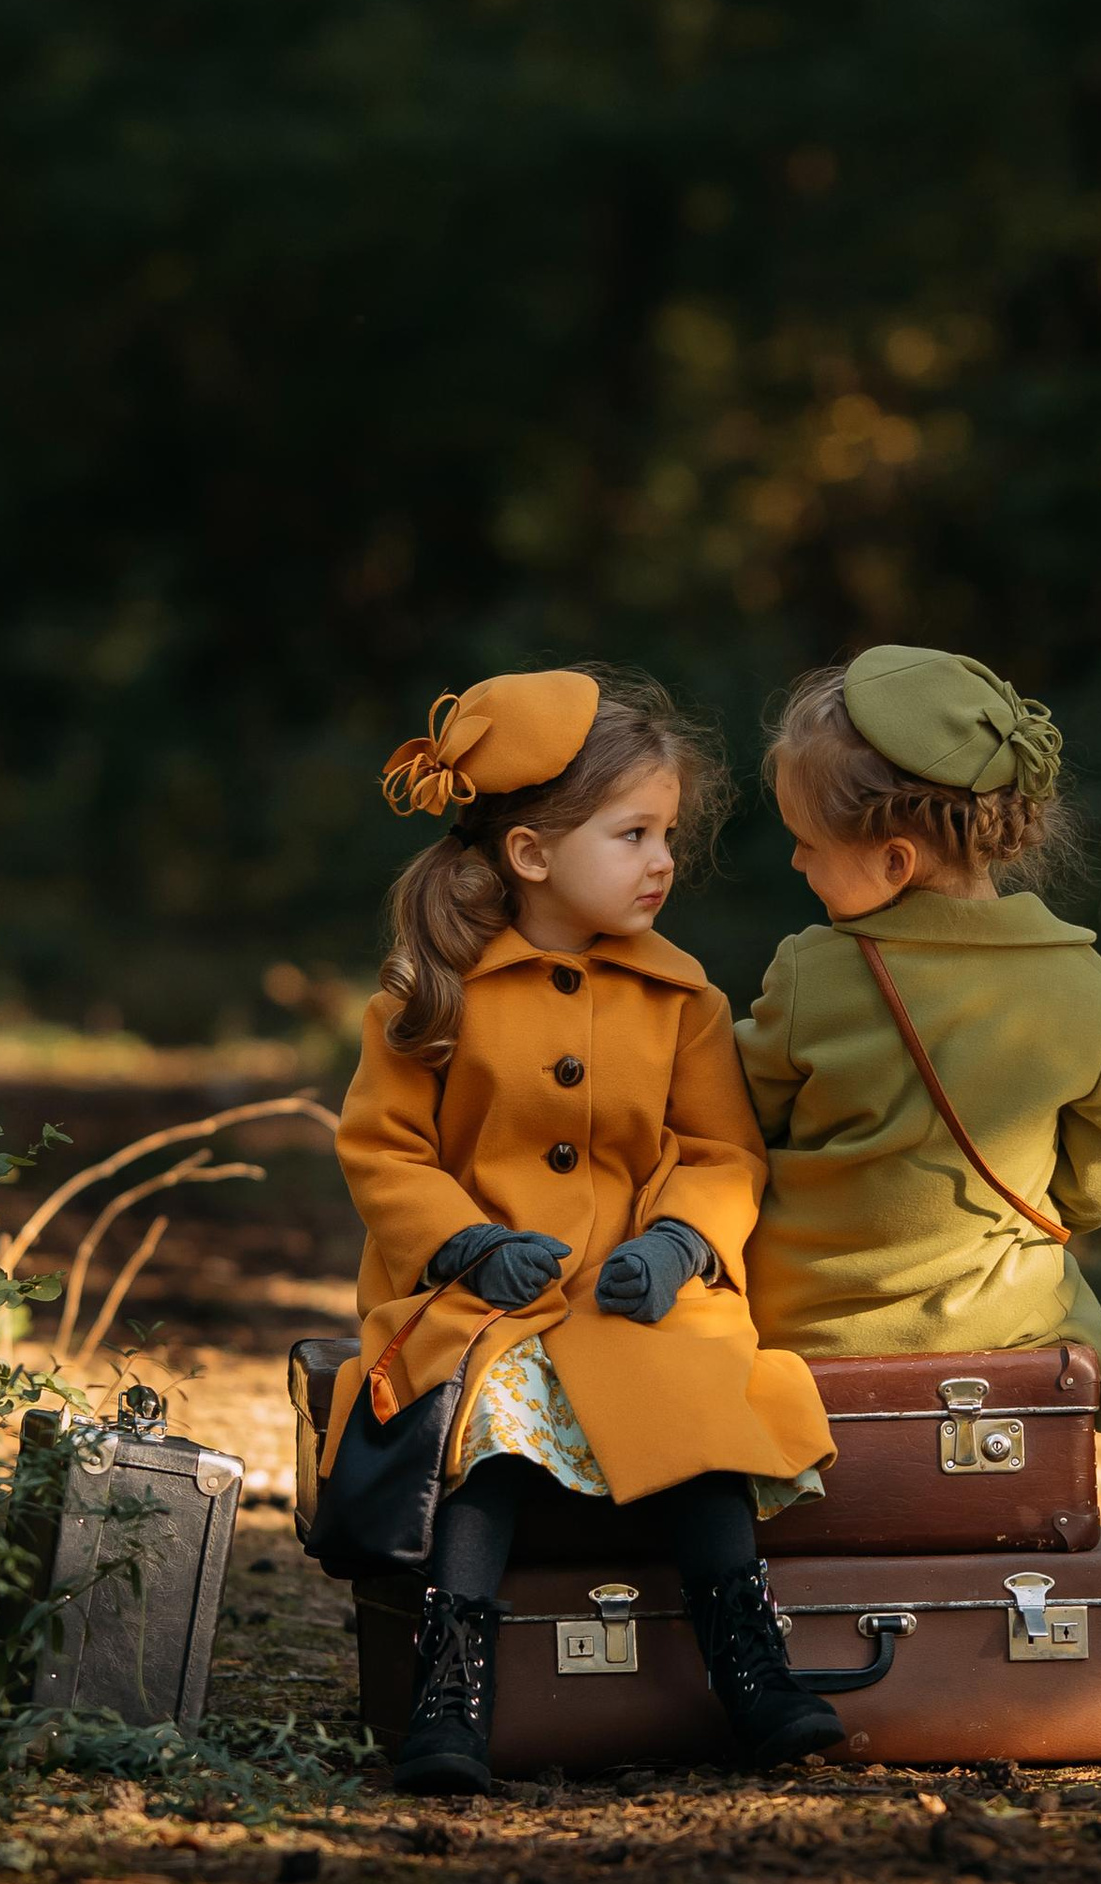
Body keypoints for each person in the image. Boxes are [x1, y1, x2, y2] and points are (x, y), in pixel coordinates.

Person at [327, 664, 840, 1796]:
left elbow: (719, 1151)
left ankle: (753, 1671)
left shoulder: (682, 998)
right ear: (531, 853)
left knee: (700, 1419)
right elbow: (383, 1150)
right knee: (486, 1437)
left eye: (667, 833)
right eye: (633, 834)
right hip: (487, 1298)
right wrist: (463, 1244)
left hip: (631, 1290)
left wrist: (678, 1244)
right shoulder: (432, 992)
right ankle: (450, 1689)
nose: (664, 861)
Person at [735, 647, 1101, 1428]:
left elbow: (735, 1121)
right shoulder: (1089, 987)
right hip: (1004, 1329)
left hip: (805, 1327)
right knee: (1060, 1290)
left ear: (895, 861)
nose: (796, 860)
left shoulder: (810, 975)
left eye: (807, 843)